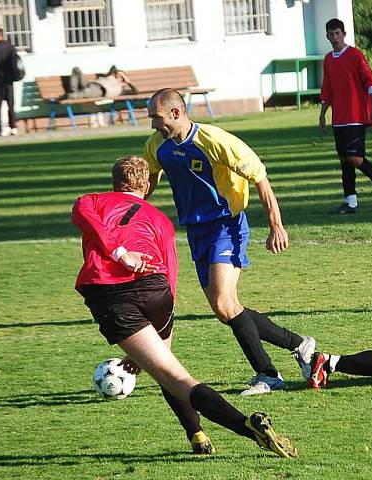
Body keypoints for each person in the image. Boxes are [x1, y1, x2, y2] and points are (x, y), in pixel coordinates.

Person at [71, 156, 297, 458]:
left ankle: (244, 426)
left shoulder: (91, 201)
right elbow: (171, 269)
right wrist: (163, 317)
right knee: (168, 368)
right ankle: (198, 437)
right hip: (158, 293)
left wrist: (120, 253)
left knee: (174, 377)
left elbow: (88, 221)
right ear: (147, 185)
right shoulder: (159, 218)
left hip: (112, 294)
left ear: (114, 182)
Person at [144, 88, 316, 396]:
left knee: (225, 303)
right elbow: (149, 179)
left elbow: (260, 177)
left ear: (175, 113)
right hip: (196, 231)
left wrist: (276, 225)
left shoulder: (214, 141)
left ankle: (268, 374)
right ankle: (300, 345)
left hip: (227, 225)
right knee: (224, 310)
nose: (152, 125)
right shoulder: (158, 145)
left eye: (156, 118)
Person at [319, 18, 372, 214]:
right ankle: (350, 202)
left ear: (344, 34)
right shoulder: (328, 59)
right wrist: (323, 114)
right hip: (339, 118)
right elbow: (327, 89)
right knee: (344, 158)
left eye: (337, 33)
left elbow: (371, 82)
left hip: (356, 115)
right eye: (331, 34)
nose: (334, 37)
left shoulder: (355, 55)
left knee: (355, 158)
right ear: (327, 36)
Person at [66, 65, 137, 99]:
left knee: (82, 93)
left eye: (120, 76)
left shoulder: (121, 89)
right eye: (116, 74)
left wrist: (128, 81)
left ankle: (69, 95)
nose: (117, 75)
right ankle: (73, 91)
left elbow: (135, 91)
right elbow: (113, 68)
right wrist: (115, 72)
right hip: (90, 85)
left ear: (123, 80)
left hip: (99, 90)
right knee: (76, 69)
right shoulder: (109, 77)